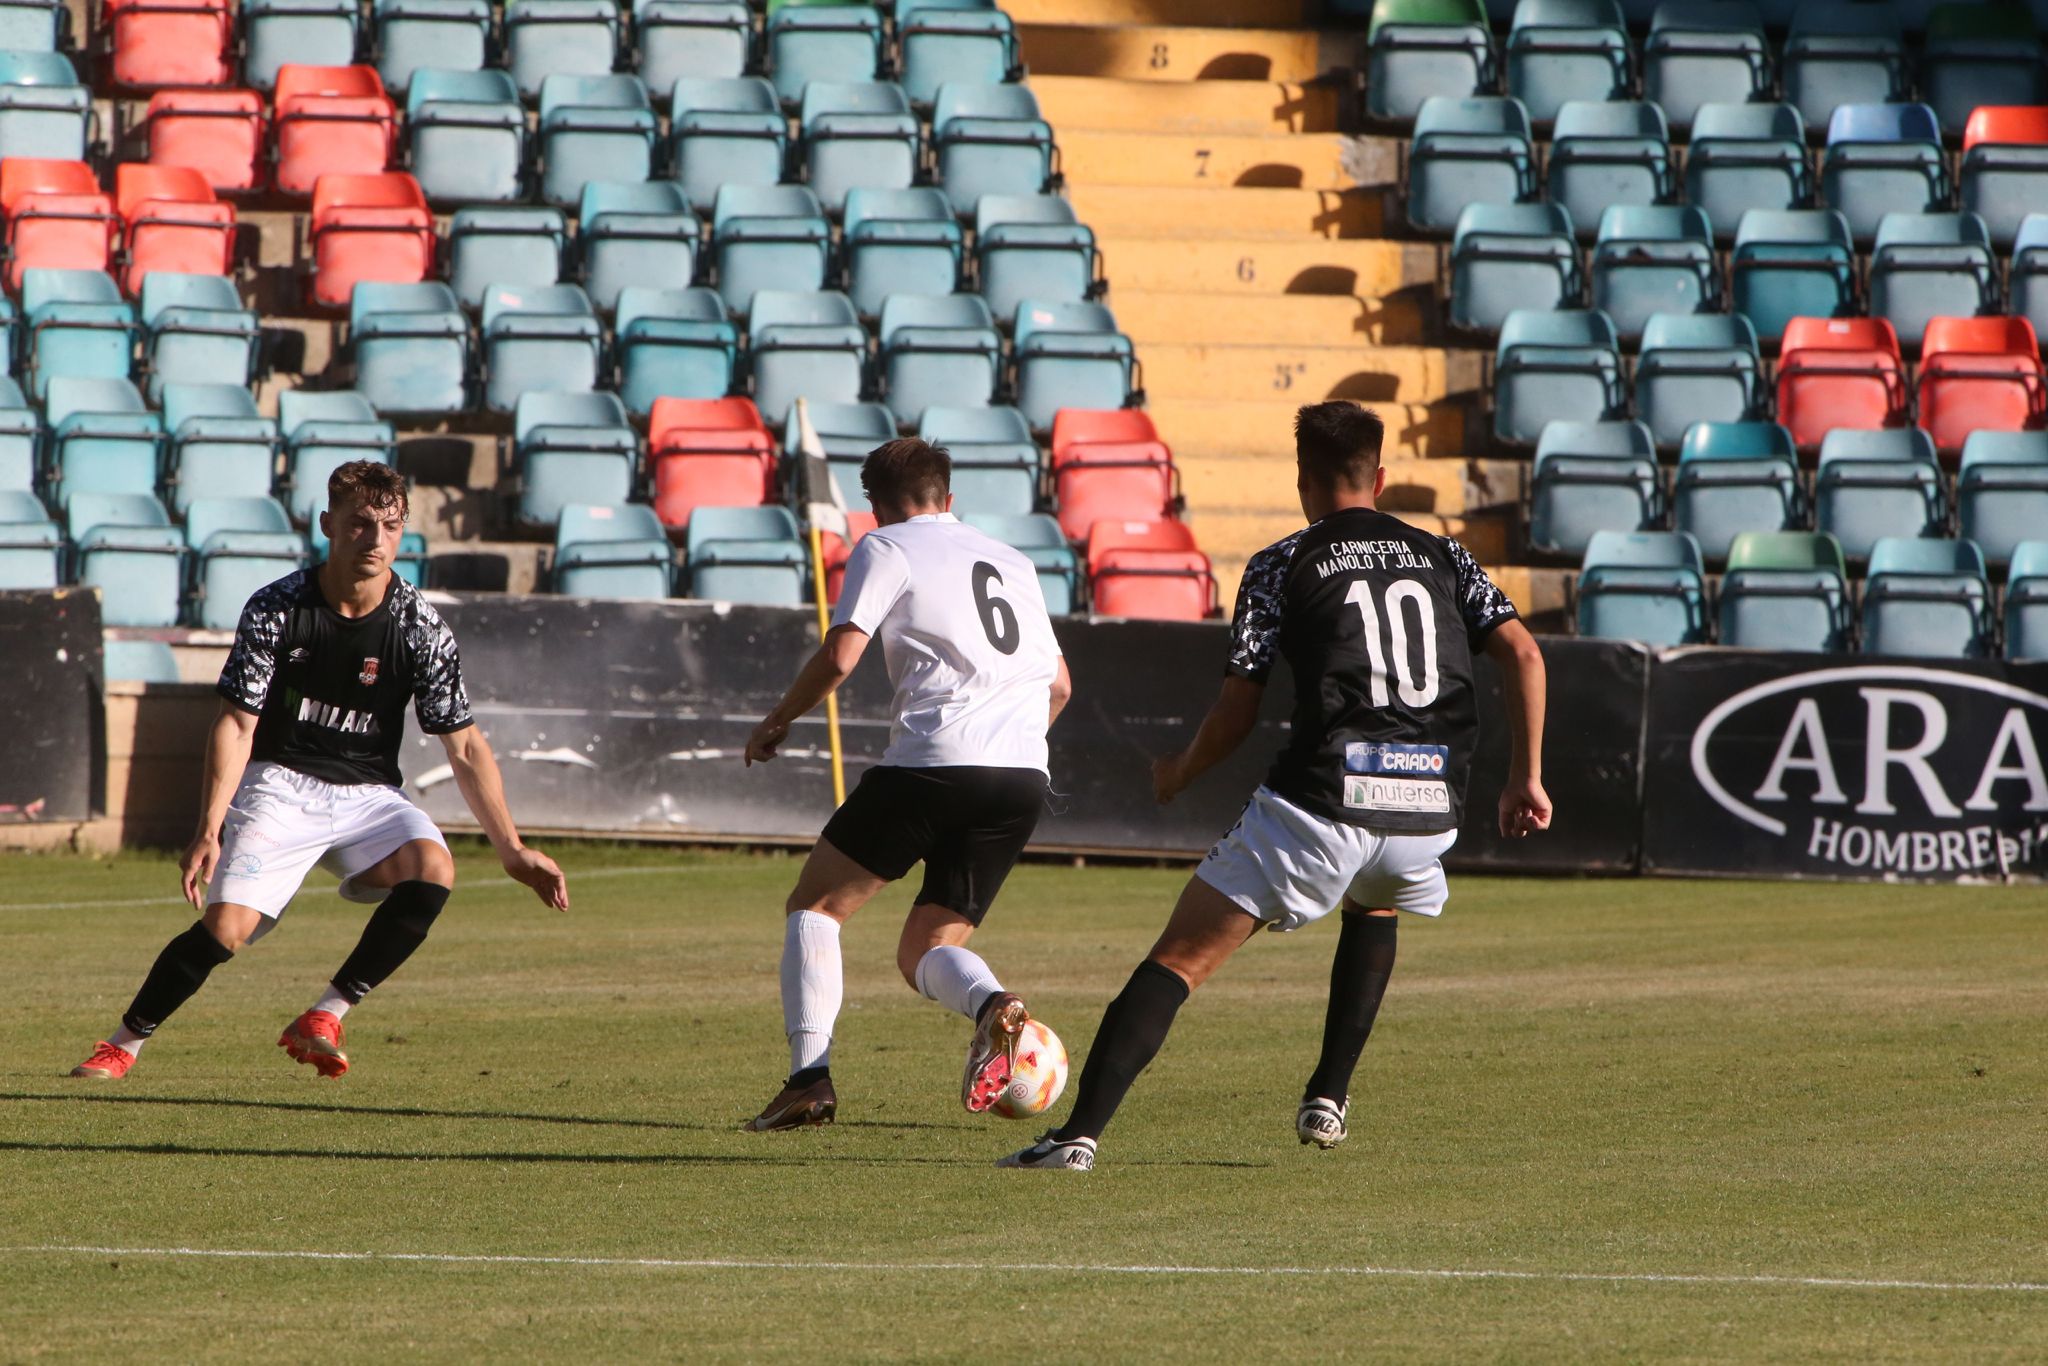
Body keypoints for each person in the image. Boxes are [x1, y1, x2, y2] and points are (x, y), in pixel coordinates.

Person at [1000, 401, 1550, 1171]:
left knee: (1180, 959)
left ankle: (1075, 1137)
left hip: (1325, 805)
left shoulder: (1282, 562)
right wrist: (1525, 777)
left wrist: (1178, 773)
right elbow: (1524, 655)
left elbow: (1238, 706)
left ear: (1304, 480)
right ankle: (1329, 1093)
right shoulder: (1446, 555)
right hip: (1430, 807)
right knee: (1377, 893)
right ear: (1381, 477)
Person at [70, 461, 568, 1081]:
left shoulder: (420, 626)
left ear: (403, 532)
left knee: (434, 868)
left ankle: (327, 1013)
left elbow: (463, 744)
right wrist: (210, 825)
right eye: (360, 523)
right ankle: (123, 1043)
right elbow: (236, 724)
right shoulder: (278, 607)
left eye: (390, 526)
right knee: (225, 930)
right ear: (329, 523)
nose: (375, 539)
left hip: (369, 796)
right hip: (280, 784)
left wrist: (512, 849)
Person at [742, 437, 1072, 1131]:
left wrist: (777, 719)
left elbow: (841, 654)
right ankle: (993, 1007)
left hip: (934, 760)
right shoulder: (1013, 560)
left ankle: (809, 1079)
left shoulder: (886, 547)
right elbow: (1061, 686)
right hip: (1021, 775)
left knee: (816, 908)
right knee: (927, 948)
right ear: (949, 498)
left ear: (874, 506)